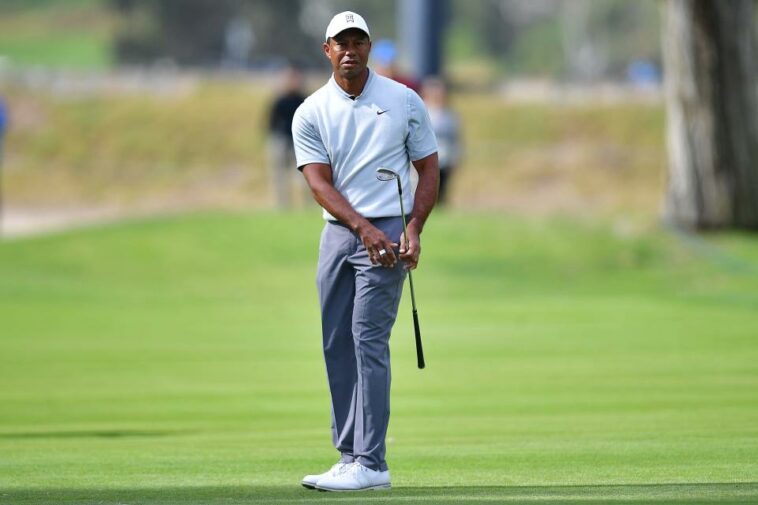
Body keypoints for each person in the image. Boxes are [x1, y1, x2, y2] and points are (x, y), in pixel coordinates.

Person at [291, 11, 439, 492]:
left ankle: (371, 461)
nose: (350, 49)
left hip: (389, 231)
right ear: (327, 50)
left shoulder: (403, 100)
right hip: (339, 233)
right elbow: (318, 181)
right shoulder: (311, 110)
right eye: (342, 42)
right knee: (336, 342)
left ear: (370, 48)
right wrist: (359, 228)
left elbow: (429, 168)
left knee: (367, 340)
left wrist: (413, 226)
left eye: (359, 40)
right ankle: (349, 454)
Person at [267, 65, 307, 209]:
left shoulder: (304, 100)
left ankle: (306, 203)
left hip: (300, 141)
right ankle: (283, 205)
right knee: (280, 175)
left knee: (305, 174)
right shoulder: (280, 100)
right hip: (282, 139)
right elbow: (271, 121)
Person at [421, 77, 461, 205]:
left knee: (442, 186)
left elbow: (455, 137)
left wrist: (457, 156)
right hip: (425, 156)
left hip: (444, 157)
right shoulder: (422, 110)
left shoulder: (449, 115)